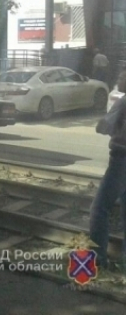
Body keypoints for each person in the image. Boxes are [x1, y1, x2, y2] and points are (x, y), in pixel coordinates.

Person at [90, 70, 126, 270]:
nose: (118, 78)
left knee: (99, 209)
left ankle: (97, 259)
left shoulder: (122, 102)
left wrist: (102, 122)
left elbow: (103, 127)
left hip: (121, 160)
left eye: (122, 76)